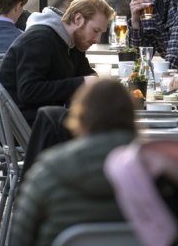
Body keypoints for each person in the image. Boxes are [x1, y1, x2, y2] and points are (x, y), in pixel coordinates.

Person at [8, 79, 136, 246]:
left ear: (80, 117)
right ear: (132, 115)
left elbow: (19, 238)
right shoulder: (162, 174)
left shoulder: (47, 172)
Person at [0, 0, 114, 124]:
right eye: (95, 30)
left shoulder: (74, 43)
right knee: (100, 126)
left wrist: (93, 82)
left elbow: (86, 74)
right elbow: (29, 91)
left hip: (43, 119)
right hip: (18, 126)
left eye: (101, 33)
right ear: (78, 19)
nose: (97, 40)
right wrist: (81, 82)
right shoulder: (40, 39)